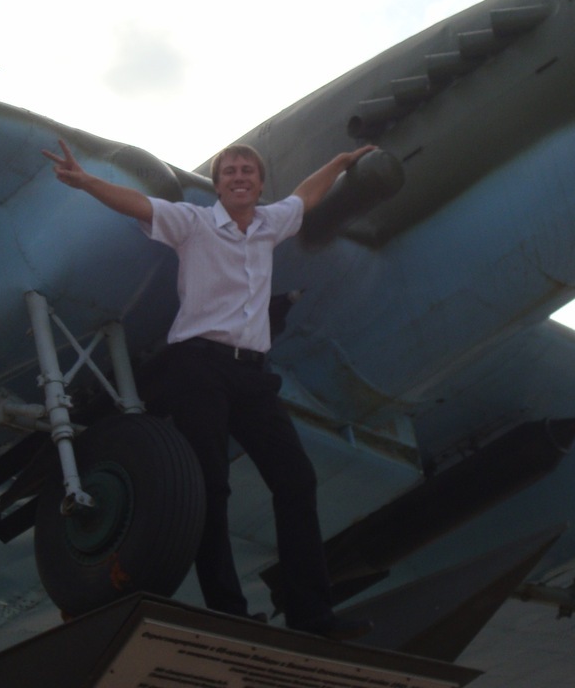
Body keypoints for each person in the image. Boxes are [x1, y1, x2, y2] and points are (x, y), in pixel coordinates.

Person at [42, 138, 375, 639]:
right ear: (218, 186)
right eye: (230, 172)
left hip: (253, 374)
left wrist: (340, 162)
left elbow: (306, 196)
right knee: (211, 487)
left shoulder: (269, 224)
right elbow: (138, 204)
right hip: (199, 369)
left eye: (248, 171)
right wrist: (87, 181)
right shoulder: (193, 223)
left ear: (259, 184)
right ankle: (228, 611)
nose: (239, 177)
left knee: (296, 480)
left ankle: (312, 614)